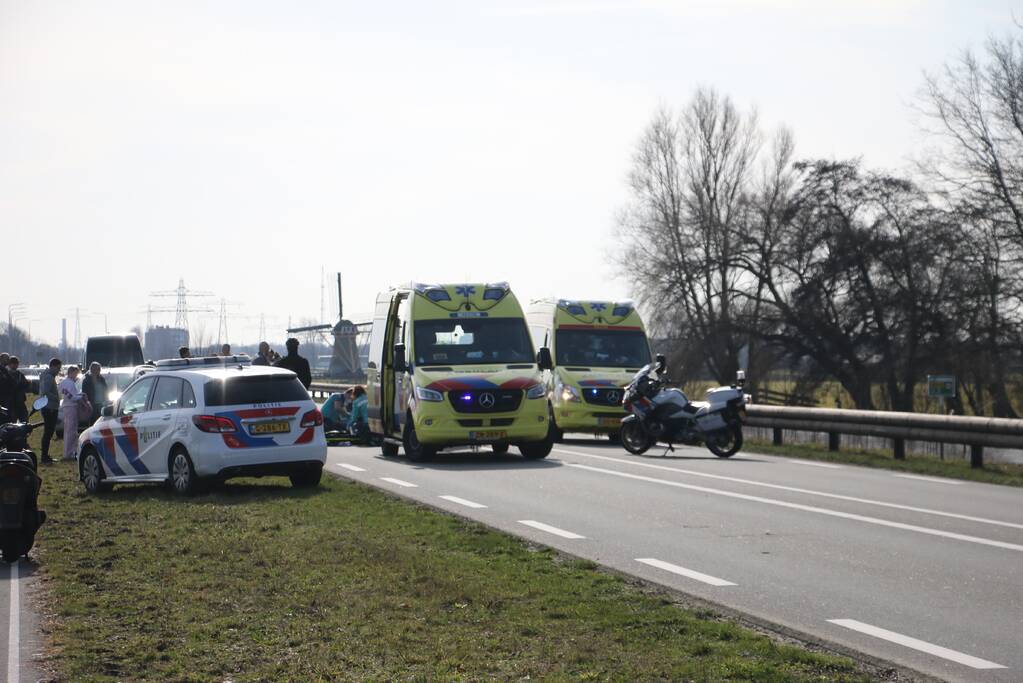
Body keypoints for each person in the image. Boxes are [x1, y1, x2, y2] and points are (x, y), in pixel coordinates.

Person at [38, 358, 62, 464]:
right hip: (49, 408)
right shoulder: (48, 377)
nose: (59, 371)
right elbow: (45, 392)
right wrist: (56, 398)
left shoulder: (48, 376)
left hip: (49, 407)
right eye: (58, 368)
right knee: (48, 433)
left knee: (49, 432)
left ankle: (45, 455)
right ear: (52, 366)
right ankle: (44, 457)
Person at [59, 365, 84, 461]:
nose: (76, 375)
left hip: (66, 407)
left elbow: (64, 393)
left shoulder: (63, 382)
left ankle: (68, 452)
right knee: (71, 431)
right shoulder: (70, 384)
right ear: (71, 372)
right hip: (71, 407)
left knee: (68, 431)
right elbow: (72, 397)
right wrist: (80, 397)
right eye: (76, 373)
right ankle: (69, 453)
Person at [7, 356, 30, 423]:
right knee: (12, 422)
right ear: (9, 364)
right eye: (13, 363)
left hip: (20, 401)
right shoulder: (6, 374)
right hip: (11, 403)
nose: (15, 365)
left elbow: (26, 386)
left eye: (16, 363)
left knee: (25, 421)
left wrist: (27, 383)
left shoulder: (20, 374)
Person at [0, 352, 13, 417]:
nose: (8, 360)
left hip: (6, 398)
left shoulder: (6, 370)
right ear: (1, 359)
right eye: (7, 358)